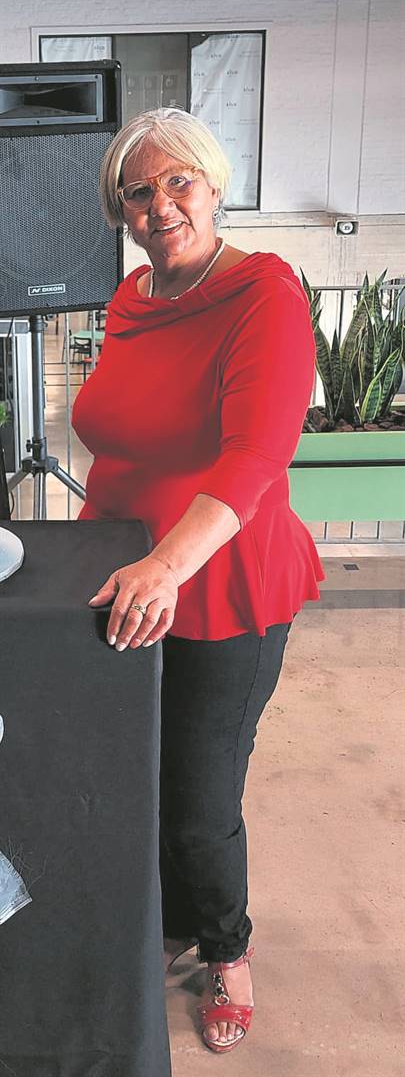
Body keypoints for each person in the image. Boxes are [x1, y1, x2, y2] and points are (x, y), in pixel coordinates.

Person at [71, 107, 326, 1054]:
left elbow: (255, 456)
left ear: (214, 184)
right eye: (137, 191)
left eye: (178, 180)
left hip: (219, 581)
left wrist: (167, 564)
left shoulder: (265, 291)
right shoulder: (132, 297)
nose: (159, 204)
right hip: (122, 571)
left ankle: (226, 950)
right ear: (121, 212)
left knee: (197, 801)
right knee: (128, 778)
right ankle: (168, 919)